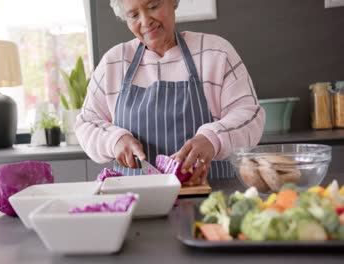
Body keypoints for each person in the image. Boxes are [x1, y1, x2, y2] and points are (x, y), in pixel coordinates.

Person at [75, 0, 265, 185]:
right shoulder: (114, 63)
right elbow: (86, 122)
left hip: (212, 196)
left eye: (153, 6)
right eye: (133, 15)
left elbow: (250, 115)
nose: (145, 20)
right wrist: (114, 140)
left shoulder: (216, 52)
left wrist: (213, 138)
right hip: (136, 202)